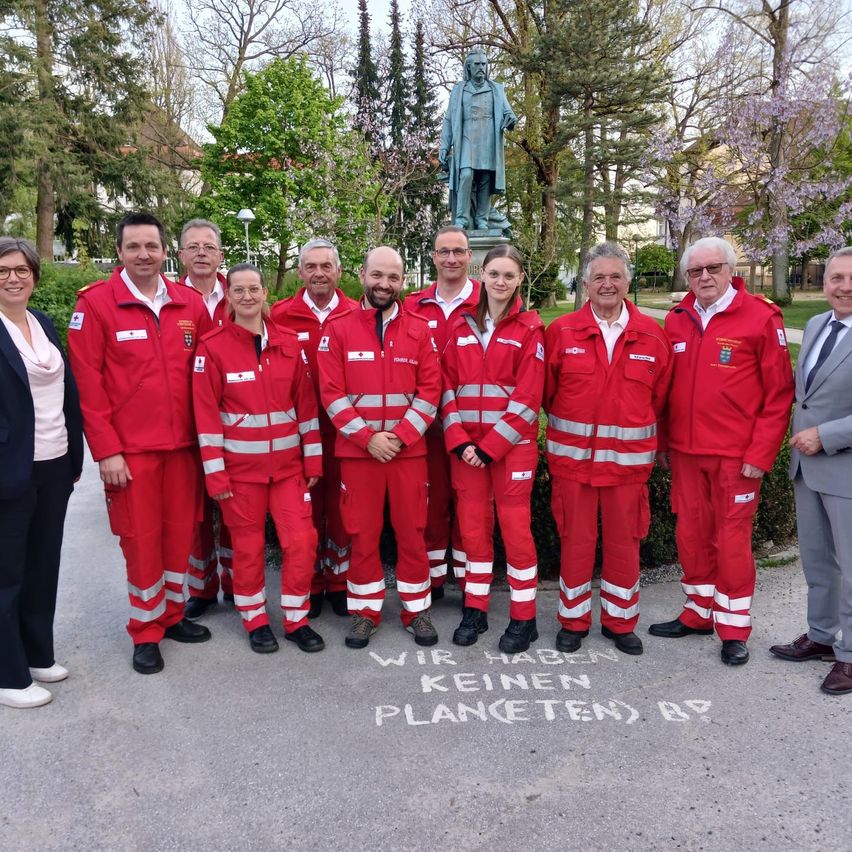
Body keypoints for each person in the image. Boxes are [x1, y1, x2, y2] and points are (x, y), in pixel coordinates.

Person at [68, 212, 212, 675]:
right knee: (140, 540)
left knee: (179, 535)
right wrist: (106, 451)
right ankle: (145, 629)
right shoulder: (95, 305)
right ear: (120, 252)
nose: (144, 255)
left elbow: (212, 376)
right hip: (132, 454)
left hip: (185, 449)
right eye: (134, 247)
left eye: (151, 246)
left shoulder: (189, 303)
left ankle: (172, 615)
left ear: (166, 251)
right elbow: (88, 386)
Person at [652, 237, 794, 665]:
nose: (705, 277)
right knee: (691, 535)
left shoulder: (761, 317)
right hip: (686, 452)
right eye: (695, 271)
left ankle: (732, 627)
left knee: (731, 541)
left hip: (736, 456)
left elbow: (779, 394)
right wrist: (662, 442)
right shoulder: (676, 319)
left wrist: (760, 453)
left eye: (713, 268)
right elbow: (663, 391)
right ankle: (697, 612)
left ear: (732, 270)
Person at [543, 242, 672, 656]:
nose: (607, 284)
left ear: (628, 282)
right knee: (576, 543)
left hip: (627, 471)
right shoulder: (561, 332)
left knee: (624, 545)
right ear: (584, 284)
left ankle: (620, 622)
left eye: (615, 276)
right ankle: (573, 621)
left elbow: (659, 398)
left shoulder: (654, 335)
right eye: (598, 277)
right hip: (574, 466)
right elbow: (548, 396)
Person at [193, 264, 324, 654]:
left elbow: (306, 407)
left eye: (254, 289)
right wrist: (216, 477)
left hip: (288, 472)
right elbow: (206, 417)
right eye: (238, 290)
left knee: (301, 542)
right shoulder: (212, 347)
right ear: (228, 296)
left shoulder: (287, 342)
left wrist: (313, 461)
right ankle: (255, 621)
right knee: (247, 551)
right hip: (239, 475)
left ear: (266, 293)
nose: (247, 297)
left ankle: (296, 619)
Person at [317, 246, 441, 648]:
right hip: (359, 455)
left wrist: (401, 437)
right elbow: (331, 394)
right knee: (363, 534)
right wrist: (367, 438)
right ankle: (365, 613)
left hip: (408, 454)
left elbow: (430, 392)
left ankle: (416, 610)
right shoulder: (337, 328)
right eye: (377, 275)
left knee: (412, 532)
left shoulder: (420, 329)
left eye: (392, 277)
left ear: (402, 281)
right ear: (362, 274)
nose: (384, 284)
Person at [440, 245, 544, 653]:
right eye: (494, 274)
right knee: (472, 530)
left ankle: (524, 617)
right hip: (466, 449)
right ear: (482, 275)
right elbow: (444, 388)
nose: (500, 282)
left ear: (519, 280)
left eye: (509, 275)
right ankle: (475, 608)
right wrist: (461, 441)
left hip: (510, 450)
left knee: (516, 530)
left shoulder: (531, 329)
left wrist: (490, 447)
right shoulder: (460, 326)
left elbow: (528, 397)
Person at [0, 238, 83, 709]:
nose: (13, 278)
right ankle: (8, 676)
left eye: (22, 269)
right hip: (9, 467)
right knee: (6, 573)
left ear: (34, 275)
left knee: (42, 565)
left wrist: (74, 457)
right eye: (3, 270)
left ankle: (36, 655)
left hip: (53, 463)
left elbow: (64, 393)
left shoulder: (43, 324)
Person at [770, 247, 852, 695]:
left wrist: (828, 434)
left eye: (851, 279)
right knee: (818, 562)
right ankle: (821, 636)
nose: (844, 287)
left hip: (844, 467)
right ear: (825, 284)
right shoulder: (819, 324)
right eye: (836, 278)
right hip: (808, 467)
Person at [271, 239, 358, 619]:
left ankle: (338, 582)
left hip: (348, 433)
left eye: (326, 266)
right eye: (310, 266)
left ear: (339, 271)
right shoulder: (279, 315)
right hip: (298, 437)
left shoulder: (357, 313)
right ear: (300, 272)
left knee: (341, 511)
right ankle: (310, 584)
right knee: (305, 515)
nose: (319, 273)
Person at [404, 225, 480, 599]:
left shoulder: (489, 300)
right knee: (430, 505)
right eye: (444, 251)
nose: (451, 258)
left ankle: (470, 582)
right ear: (433, 257)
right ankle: (433, 581)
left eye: (459, 251)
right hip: (425, 427)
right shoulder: (413, 305)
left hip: (471, 429)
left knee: (470, 506)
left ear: (470, 257)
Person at [177, 218, 233, 619]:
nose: (201, 253)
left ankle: (235, 581)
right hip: (183, 424)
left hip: (236, 425)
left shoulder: (241, 293)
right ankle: (201, 586)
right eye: (193, 246)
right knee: (195, 511)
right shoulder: (169, 297)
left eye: (208, 247)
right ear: (180, 254)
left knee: (233, 508)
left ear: (220, 255)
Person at [439, 48, 516, 231]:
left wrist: (511, 120)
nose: (481, 67)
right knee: (465, 175)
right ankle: (461, 219)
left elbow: (508, 113)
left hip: (489, 139)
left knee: (485, 178)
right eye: (477, 64)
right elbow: (449, 119)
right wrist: (444, 146)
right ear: (469, 67)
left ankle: (482, 219)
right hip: (466, 139)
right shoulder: (459, 90)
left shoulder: (496, 89)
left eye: (484, 64)